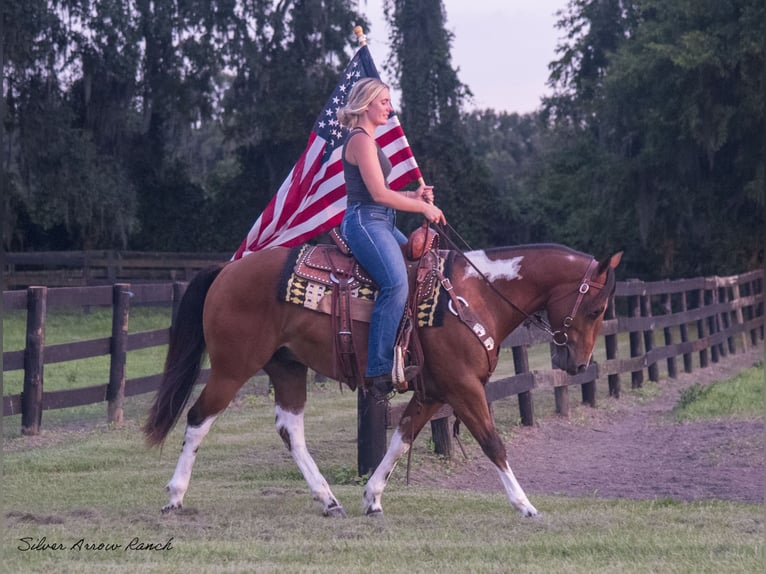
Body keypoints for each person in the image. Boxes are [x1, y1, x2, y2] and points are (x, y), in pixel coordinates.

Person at [337, 78, 446, 397]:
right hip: (364, 221)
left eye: (388, 101)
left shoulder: (369, 141)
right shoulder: (359, 140)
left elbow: (382, 193)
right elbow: (377, 194)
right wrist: (421, 208)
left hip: (381, 220)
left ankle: (412, 349)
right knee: (395, 283)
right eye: (384, 101)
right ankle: (379, 369)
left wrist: (412, 194)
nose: (390, 107)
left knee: (424, 270)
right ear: (367, 103)